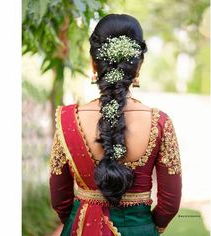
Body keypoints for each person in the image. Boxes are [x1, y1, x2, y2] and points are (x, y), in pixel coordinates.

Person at [49, 13, 182, 236]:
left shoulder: (68, 120)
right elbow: (170, 203)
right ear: (138, 65)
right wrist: (145, 228)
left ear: (94, 63)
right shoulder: (160, 123)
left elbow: (60, 199)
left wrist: (77, 219)